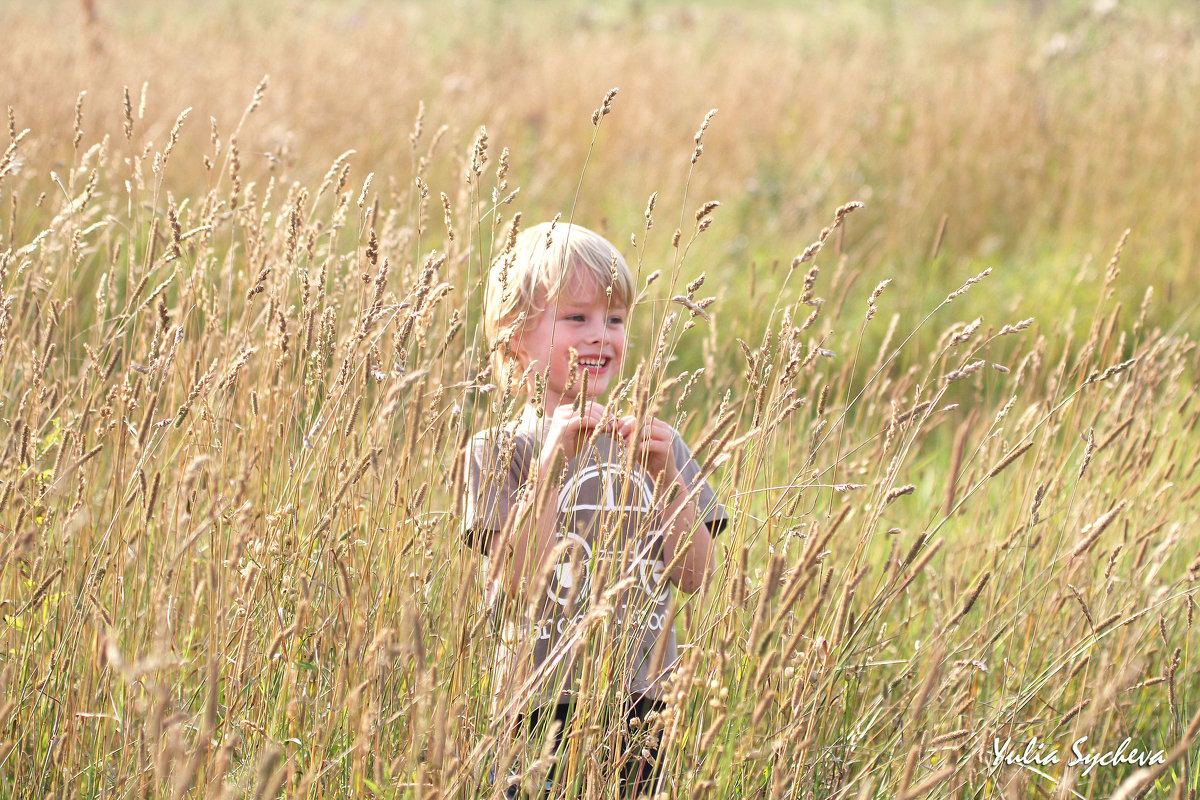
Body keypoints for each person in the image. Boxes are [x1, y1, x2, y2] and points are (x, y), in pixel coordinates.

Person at [462, 220, 728, 797]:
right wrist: (553, 462)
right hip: (538, 702)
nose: (600, 336)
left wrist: (665, 478)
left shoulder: (657, 444)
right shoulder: (499, 450)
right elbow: (517, 577)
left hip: (643, 699)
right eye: (576, 317)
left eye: (614, 319)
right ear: (513, 338)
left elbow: (696, 574)